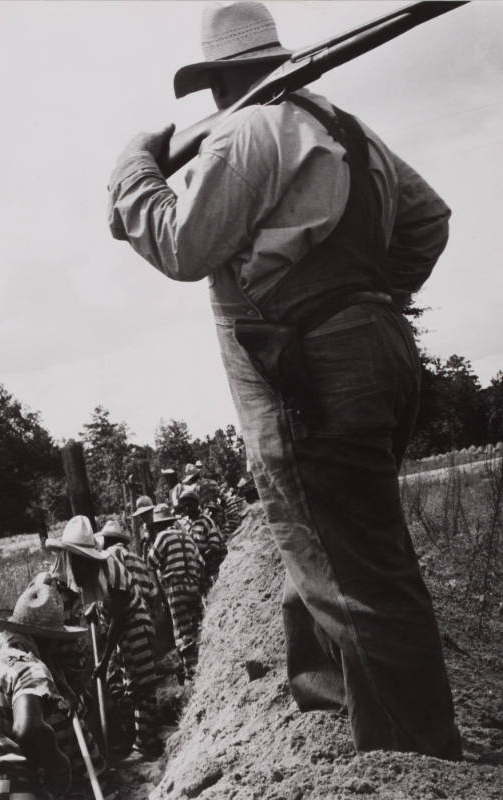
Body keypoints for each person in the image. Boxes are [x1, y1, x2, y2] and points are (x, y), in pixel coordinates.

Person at [106, 0, 460, 759]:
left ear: (217, 81)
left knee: (357, 574)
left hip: (309, 370)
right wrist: (360, 300)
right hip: (381, 354)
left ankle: (414, 761)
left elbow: (179, 244)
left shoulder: (243, 132)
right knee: (326, 534)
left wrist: (136, 166)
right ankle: (333, 710)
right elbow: (429, 222)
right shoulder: (347, 130)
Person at [0, 574, 87, 800]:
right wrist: (59, 764)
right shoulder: (29, 665)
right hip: (10, 786)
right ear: (47, 640)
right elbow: (28, 729)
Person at [47, 516, 162, 759]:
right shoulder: (83, 571)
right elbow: (101, 603)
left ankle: (146, 745)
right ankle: (137, 738)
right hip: (123, 629)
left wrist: (105, 657)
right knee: (130, 686)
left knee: (141, 685)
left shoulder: (108, 567)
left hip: (134, 626)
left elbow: (119, 616)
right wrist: (93, 610)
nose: (78, 567)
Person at [147, 503, 204, 682]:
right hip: (193, 586)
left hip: (175, 588)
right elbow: (200, 562)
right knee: (195, 628)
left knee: (182, 632)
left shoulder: (163, 537)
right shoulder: (186, 536)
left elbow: (150, 562)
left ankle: (191, 674)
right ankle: (202, 667)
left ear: (158, 525)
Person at [176, 488, 227, 591]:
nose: (186, 508)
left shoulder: (206, 521)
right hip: (197, 570)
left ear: (195, 504)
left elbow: (214, 547)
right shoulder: (186, 524)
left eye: (189, 505)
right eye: (184, 506)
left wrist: (201, 560)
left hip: (210, 567)